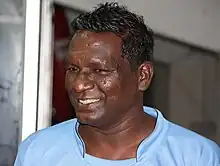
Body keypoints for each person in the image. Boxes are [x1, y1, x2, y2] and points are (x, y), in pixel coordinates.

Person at [15, 2, 219, 166]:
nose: (78, 85)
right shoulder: (38, 152)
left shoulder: (197, 157)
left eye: (100, 71)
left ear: (143, 76)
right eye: (73, 69)